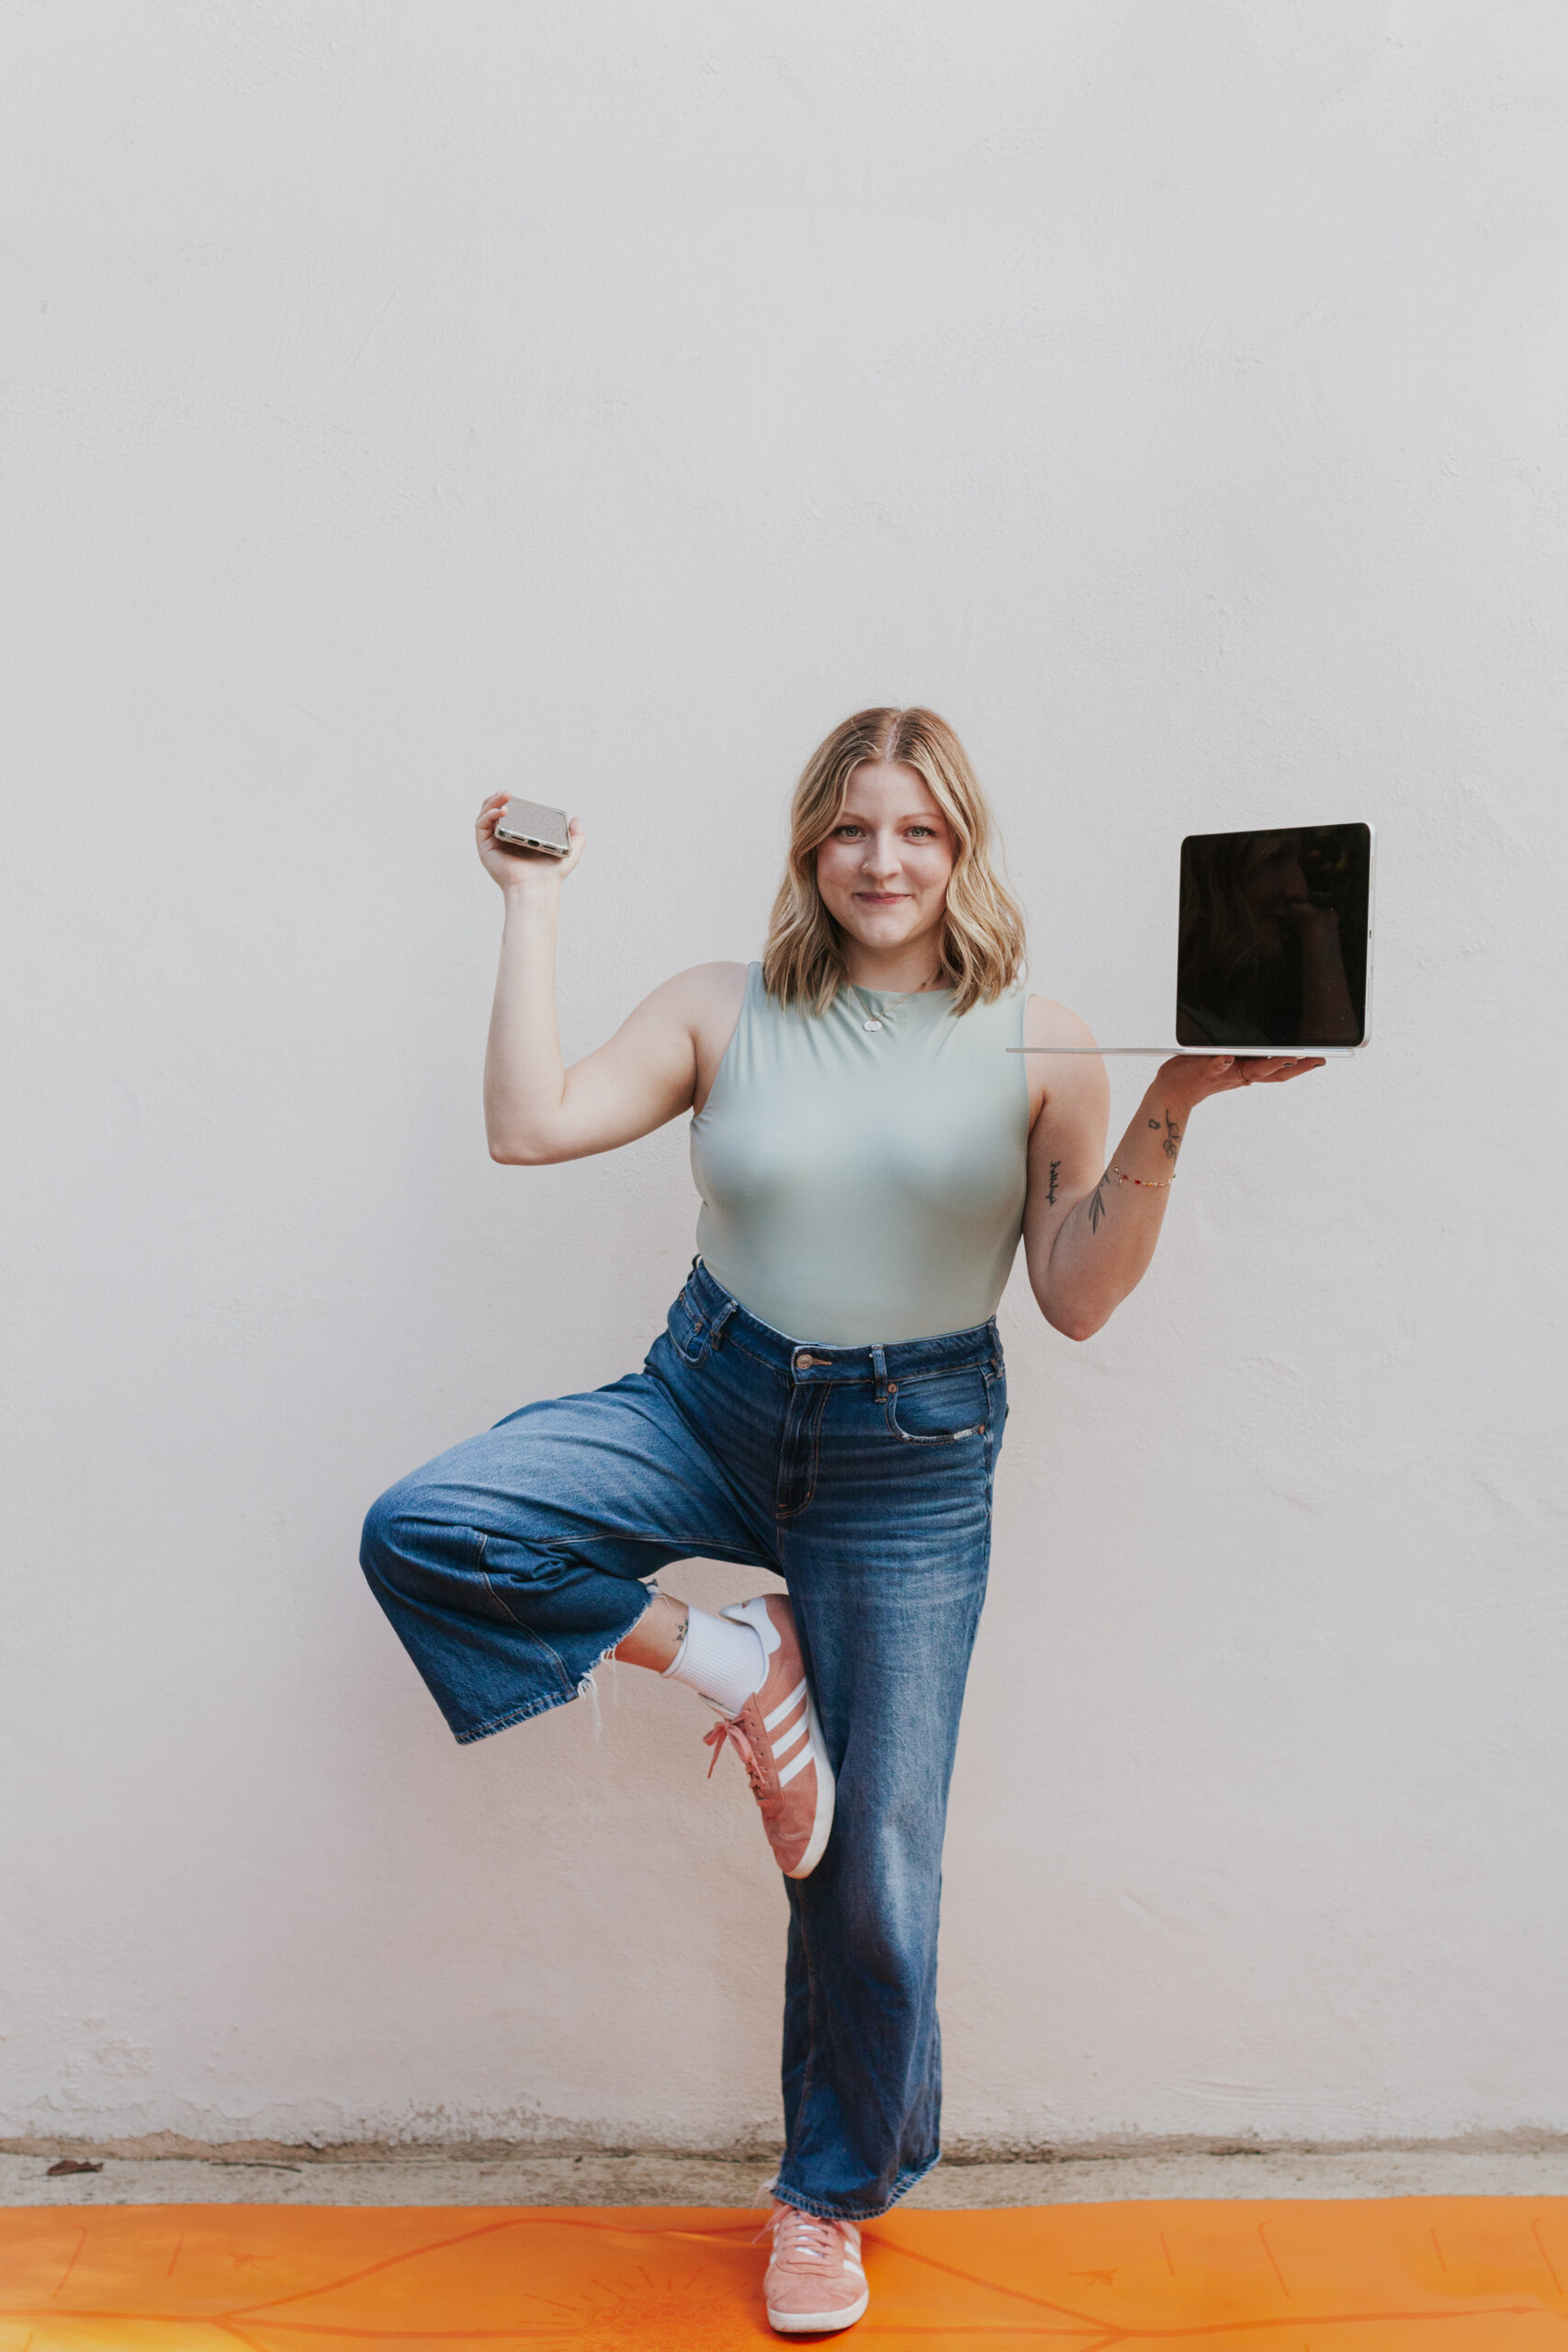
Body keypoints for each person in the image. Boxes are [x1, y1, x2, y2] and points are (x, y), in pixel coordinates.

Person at [360, 707, 1322, 2335]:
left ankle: (826, 2201)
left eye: (921, 831)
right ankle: (739, 1663)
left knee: (871, 1864)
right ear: (812, 845)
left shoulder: (1041, 1039)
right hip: (707, 1395)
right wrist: (527, 908)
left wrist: (1173, 1106)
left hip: (913, 1451)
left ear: (964, 851)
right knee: (433, 1526)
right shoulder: (718, 1010)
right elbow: (528, 1125)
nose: (886, 862)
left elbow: (1076, 1298)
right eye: (854, 829)